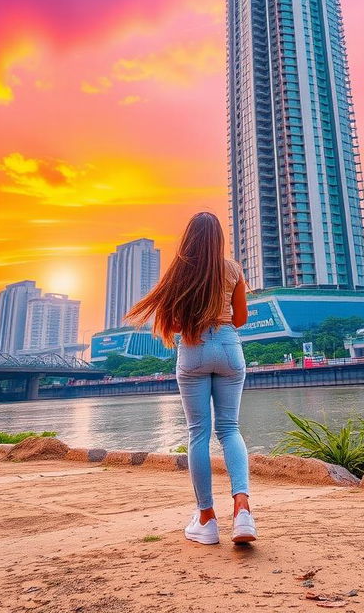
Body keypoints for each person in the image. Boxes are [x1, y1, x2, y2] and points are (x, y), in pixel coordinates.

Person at [126, 211, 256, 546]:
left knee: (198, 433)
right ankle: (242, 510)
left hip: (194, 349)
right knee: (229, 429)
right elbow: (240, 319)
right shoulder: (233, 269)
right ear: (219, 238)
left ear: (189, 238)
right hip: (229, 346)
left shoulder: (180, 271)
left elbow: (176, 325)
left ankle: (207, 520)